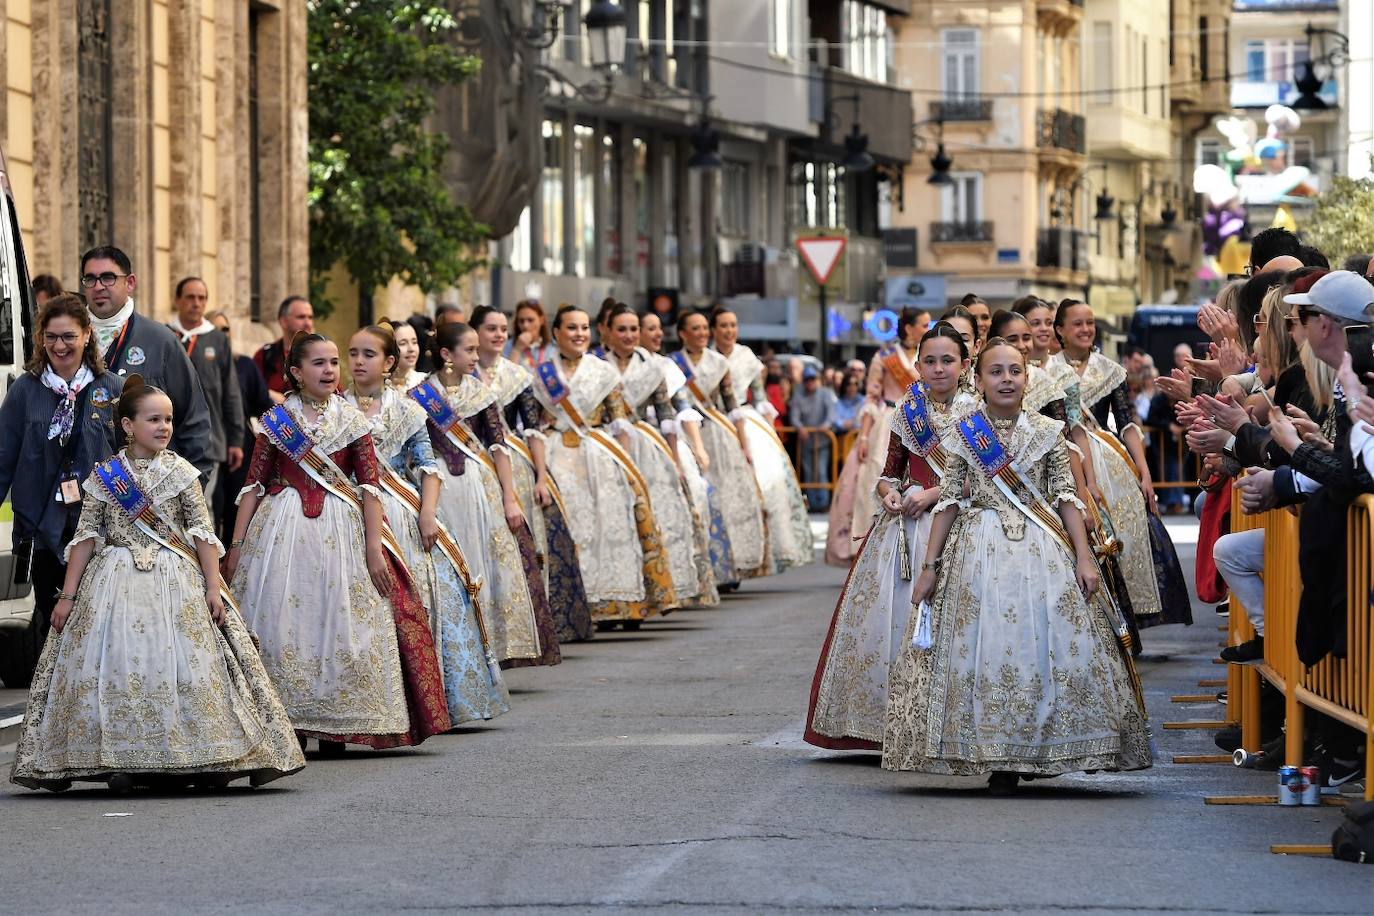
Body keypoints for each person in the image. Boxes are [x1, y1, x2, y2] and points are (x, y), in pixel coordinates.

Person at [883, 337, 1152, 793]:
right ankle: (995, 754)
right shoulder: (963, 433)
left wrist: (1085, 560)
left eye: (1015, 371)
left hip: (1043, 553)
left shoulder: (1048, 433)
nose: (1006, 379)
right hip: (976, 552)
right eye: (996, 372)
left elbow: (1066, 498)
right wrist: (929, 567)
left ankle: (1041, 747)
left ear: (1028, 378)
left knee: (1041, 647)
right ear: (980, 381)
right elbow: (948, 502)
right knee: (983, 649)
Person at [10, 378, 304, 791]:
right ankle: (120, 760)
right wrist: (68, 596)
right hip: (112, 584)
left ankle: (201, 757)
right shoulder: (104, 476)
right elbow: (87, 537)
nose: (164, 427)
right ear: (128, 426)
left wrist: (212, 587)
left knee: (186, 666)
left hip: (176, 581)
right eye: (154, 419)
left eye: (168, 419)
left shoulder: (182, 472)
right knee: (118, 667)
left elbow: (202, 532)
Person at [226, 332, 451, 752]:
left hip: (341, 532)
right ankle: (289, 719)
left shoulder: (352, 420)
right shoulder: (276, 421)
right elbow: (253, 486)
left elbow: (369, 488)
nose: (330, 370)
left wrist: (373, 548)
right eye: (319, 363)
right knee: (283, 620)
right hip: (281, 532)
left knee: (339, 620)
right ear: (295, 372)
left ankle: (337, 725)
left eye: (334, 362)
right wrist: (236, 547)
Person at [806, 324, 976, 749]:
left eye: (947, 361)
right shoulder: (907, 411)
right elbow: (890, 471)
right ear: (917, 366)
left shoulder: (978, 411)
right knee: (893, 620)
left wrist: (936, 493)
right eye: (930, 362)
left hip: (963, 521)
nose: (938, 370)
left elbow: (984, 476)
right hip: (906, 529)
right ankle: (889, 721)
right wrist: (889, 494)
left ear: (965, 365)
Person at [344, 325, 510, 723]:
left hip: (401, 514)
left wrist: (428, 513)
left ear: (388, 363)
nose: (358, 362)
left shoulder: (408, 411)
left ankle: (427, 701)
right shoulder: (334, 409)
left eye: (368, 354)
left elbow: (427, 466)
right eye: (353, 353)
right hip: (349, 514)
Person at [529, 306, 679, 628]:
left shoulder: (602, 372)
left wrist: (626, 466)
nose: (580, 334)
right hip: (554, 453)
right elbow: (532, 427)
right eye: (572, 328)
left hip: (597, 452)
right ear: (556, 332)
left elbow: (619, 421)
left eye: (584, 327)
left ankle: (617, 602)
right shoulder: (540, 374)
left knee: (610, 523)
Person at [1050, 300, 1191, 628]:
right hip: (1067, 457)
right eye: (1077, 324)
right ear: (1060, 330)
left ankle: (1126, 619)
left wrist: (1143, 472)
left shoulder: (1110, 370)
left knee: (1126, 535)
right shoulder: (1047, 371)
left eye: (1090, 322)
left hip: (1109, 459)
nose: (1086, 329)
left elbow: (1127, 423)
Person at [0, 294, 124, 666]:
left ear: (87, 335)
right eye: (51, 337)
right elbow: (4, 456)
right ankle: (55, 707)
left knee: (101, 618)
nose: (59, 345)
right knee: (53, 620)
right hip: (43, 528)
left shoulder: (112, 389)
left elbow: (132, 458)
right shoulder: (26, 390)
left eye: (68, 336)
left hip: (101, 528)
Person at [417, 322, 546, 665]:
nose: (476, 356)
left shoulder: (482, 393)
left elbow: (498, 446)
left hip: (478, 486)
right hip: (435, 488)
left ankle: (489, 646)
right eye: (469, 350)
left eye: (477, 349)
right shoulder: (418, 396)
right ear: (446, 354)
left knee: (483, 561)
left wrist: (509, 496)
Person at [470, 305, 594, 644]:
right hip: (468, 465)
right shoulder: (460, 378)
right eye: (491, 329)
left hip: (513, 466)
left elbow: (533, 430)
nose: (498, 335)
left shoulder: (518, 376)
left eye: (502, 330)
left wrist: (541, 476)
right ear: (474, 333)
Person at [601, 303, 717, 607]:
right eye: (621, 329)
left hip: (646, 446)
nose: (628, 335)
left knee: (657, 516)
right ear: (608, 332)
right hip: (605, 446)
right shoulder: (597, 365)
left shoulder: (653, 368)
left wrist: (676, 461)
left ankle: (657, 589)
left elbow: (667, 415)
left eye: (633, 330)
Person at [80, 246, 213, 478]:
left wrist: (192, 486)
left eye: (108, 278)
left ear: (130, 283)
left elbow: (193, 419)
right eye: (90, 279)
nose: (98, 286)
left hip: (148, 494)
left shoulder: (161, 341)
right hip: (83, 491)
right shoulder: (66, 341)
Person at [712, 306, 814, 572]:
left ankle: (762, 552)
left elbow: (759, 398)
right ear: (714, 330)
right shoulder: (708, 357)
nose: (729, 330)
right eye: (723, 325)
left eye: (733, 325)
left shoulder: (746, 357)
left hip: (746, 420)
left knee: (767, 484)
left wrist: (772, 436)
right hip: (712, 420)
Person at [642, 311, 738, 592]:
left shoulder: (672, 366)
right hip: (641, 437)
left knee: (701, 496)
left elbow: (683, 408)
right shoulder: (669, 361)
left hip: (700, 430)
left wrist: (698, 448)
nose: (656, 334)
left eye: (659, 328)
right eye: (649, 328)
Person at [675, 309, 768, 583]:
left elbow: (732, 405)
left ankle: (729, 564)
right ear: (683, 333)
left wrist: (743, 444)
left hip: (718, 433)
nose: (703, 333)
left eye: (705, 328)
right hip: (686, 434)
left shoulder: (719, 363)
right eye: (697, 329)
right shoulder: (674, 363)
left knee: (726, 497)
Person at [167, 277, 245, 509]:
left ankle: (201, 546)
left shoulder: (218, 339)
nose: (196, 303)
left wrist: (236, 439)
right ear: (177, 300)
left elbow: (230, 390)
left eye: (202, 298)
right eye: (190, 297)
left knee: (202, 505)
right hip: (167, 436)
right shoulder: (164, 335)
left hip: (209, 439)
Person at [207, 310, 273, 543]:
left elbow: (263, 405)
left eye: (225, 329)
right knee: (210, 510)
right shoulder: (199, 365)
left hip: (240, 449)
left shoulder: (244, 365)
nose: (221, 334)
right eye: (215, 330)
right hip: (209, 447)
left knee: (237, 511)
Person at [790, 365, 837, 512]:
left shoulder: (825, 394)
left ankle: (823, 503)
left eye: (812, 379)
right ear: (803, 381)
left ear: (817, 380)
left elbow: (831, 414)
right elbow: (794, 417)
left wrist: (825, 425)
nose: (810, 382)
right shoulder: (798, 396)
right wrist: (800, 427)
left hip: (822, 440)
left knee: (821, 471)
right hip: (806, 442)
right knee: (809, 472)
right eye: (807, 380)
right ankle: (811, 504)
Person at [253, 295, 315, 400]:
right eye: (301, 317)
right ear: (284, 321)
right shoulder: (265, 355)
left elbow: (335, 395)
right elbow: (252, 390)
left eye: (310, 317)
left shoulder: (321, 355)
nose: (308, 323)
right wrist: (269, 394)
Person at [506, 299, 555, 370]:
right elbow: (507, 377)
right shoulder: (508, 346)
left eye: (530, 320)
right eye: (521, 321)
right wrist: (517, 349)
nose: (525, 325)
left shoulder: (553, 347)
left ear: (541, 320)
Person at [389, 319, 428, 389]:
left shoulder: (426, 382)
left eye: (414, 342)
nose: (411, 349)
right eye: (403, 343)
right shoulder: (375, 385)